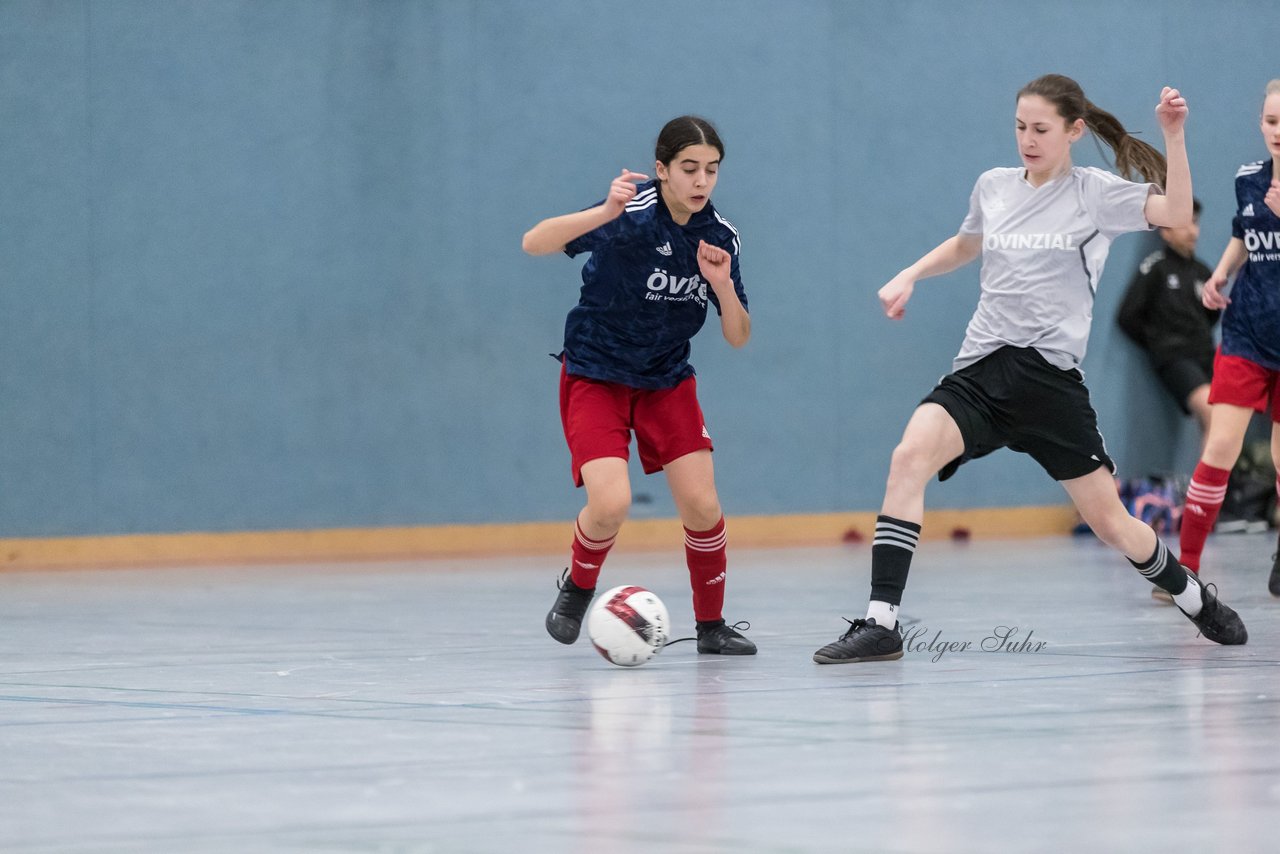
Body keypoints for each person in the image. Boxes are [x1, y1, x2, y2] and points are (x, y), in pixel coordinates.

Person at [813, 75, 1248, 665]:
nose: (1028, 139)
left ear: (1073, 130)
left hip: (1050, 384)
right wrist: (910, 274)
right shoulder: (993, 186)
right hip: (982, 369)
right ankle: (881, 620)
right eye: (1020, 127)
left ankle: (1192, 597)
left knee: (1113, 525)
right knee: (907, 458)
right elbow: (969, 244)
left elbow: (1173, 209)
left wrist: (1174, 135)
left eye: (1041, 129)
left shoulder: (1096, 193)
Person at [521, 116, 757, 655]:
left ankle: (712, 626)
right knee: (610, 504)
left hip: (665, 379)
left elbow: (739, 336)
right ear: (662, 169)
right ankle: (578, 588)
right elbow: (533, 242)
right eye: (689, 169)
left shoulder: (720, 237)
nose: (701, 181)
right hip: (597, 373)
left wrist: (722, 287)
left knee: (702, 504)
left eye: (712, 170)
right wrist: (603, 211)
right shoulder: (631, 213)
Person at [1179, 79, 1280, 599]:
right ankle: (1184, 567)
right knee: (1221, 443)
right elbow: (1244, 233)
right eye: (1270, 121)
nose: (1277, 131)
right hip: (1246, 334)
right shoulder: (1248, 180)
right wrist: (1220, 273)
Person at [1116, 197, 1219, 438]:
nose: (1192, 231)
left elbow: (1213, 315)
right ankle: (1212, 478)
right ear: (1165, 232)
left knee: (1220, 423)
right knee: (1210, 411)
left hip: (1205, 355)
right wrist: (1159, 343)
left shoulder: (1203, 271)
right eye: (1184, 224)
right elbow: (1127, 316)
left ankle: (1217, 477)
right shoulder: (1156, 267)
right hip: (1175, 357)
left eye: (1195, 223)